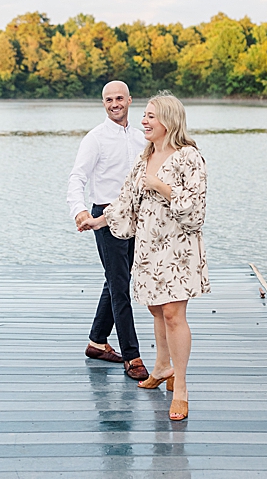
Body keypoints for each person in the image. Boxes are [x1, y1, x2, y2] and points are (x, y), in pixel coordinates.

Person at [82, 91, 209, 421]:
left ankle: (180, 387)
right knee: (155, 309)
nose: (143, 121)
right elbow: (125, 203)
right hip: (149, 247)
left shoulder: (189, 157)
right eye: (145, 116)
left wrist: (161, 187)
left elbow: (195, 212)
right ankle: (161, 367)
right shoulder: (143, 157)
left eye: (150, 116)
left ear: (168, 120)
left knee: (172, 314)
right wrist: (97, 220)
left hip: (178, 248)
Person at [68, 80, 150, 381]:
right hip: (105, 217)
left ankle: (96, 342)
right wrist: (80, 211)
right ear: (103, 103)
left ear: (130, 100)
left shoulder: (143, 138)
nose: (114, 104)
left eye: (119, 98)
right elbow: (77, 178)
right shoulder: (95, 139)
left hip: (137, 216)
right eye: (108, 100)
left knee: (118, 278)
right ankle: (132, 356)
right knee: (119, 285)